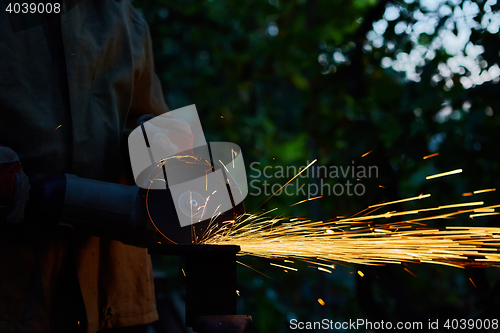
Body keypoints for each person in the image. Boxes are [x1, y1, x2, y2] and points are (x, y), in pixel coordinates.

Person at [0, 1, 188, 332]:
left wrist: (161, 148)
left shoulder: (122, 14)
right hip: (14, 290)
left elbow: (148, 113)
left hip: (112, 291)